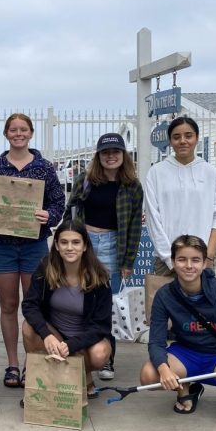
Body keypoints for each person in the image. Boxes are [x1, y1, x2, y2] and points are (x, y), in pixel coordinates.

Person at [0, 113, 65, 389]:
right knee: (9, 306)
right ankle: (13, 364)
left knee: (34, 305)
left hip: (34, 246)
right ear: (6, 134)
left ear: (30, 133)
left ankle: (32, 363)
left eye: (23, 130)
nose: (18, 134)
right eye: (13, 130)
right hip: (3, 247)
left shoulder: (44, 168)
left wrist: (46, 216)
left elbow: (58, 204)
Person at [141, 235, 216, 427]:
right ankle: (185, 389)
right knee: (150, 375)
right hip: (186, 354)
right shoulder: (164, 295)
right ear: (173, 262)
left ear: (205, 263)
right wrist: (164, 369)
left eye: (195, 260)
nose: (189, 265)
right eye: (182, 259)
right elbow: (156, 341)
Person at [63, 133, 143, 380]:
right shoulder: (85, 181)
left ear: (123, 155)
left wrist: (128, 261)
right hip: (84, 243)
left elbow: (134, 227)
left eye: (115, 152)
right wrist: (67, 244)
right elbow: (70, 212)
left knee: (108, 305)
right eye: (106, 153)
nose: (111, 156)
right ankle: (77, 350)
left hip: (112, 246)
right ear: (98, 156)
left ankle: (107, 358)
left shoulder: (132, 186)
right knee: (76, 299)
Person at [20, 219, 113, 396]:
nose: (70, 247)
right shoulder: (45, 267)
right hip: (55, 334)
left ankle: (84, 375)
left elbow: (102, 325)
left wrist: (71, 345)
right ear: (56, 245)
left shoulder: (100, 277)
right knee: (28, 327)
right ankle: (41, 374)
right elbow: (29, 305)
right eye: (64, 242)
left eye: (76, 242)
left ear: (85, 246)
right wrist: (47, 336)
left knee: (100, 354)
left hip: (85, 339)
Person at [144, 116, 216, 275]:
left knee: (202, 300)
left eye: (188, 136)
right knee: (166, 300)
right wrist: (170, 259)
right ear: (170, 141)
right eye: (176, 137)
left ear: (196, 139)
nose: (183, 141)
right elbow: (152, 218)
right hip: (166, 260)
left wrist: (208, 254)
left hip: (202, 259)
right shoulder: (156, 172)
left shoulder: (210, 172)